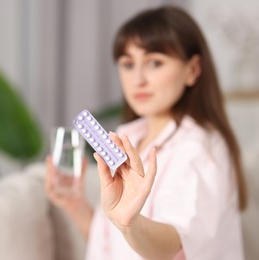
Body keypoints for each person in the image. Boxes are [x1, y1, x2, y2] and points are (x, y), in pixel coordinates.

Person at [45, 5, 247, 260]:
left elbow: (174, 243)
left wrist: (131, 222)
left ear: (192, 70)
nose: (138, 79)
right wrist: (75, 205)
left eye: (154, 62)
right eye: (128, 64)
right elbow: (118, 249)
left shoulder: (198, 149)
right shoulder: (132, 139)